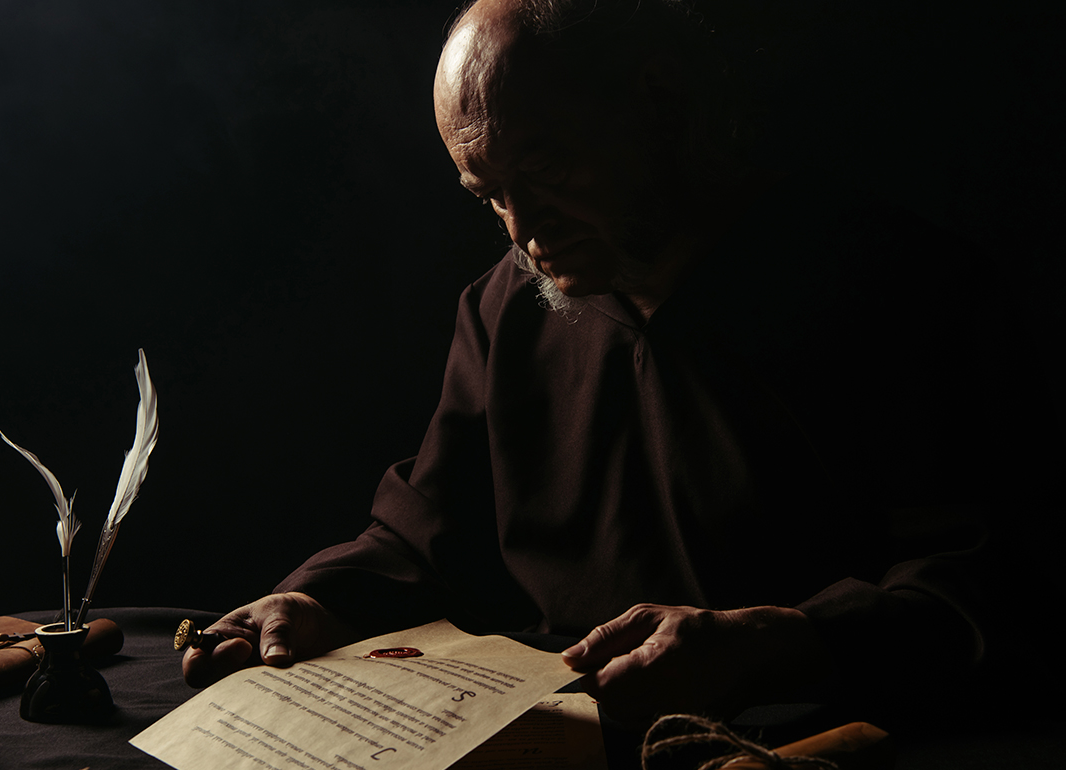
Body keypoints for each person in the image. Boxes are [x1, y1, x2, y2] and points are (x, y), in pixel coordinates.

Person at [182, 0, 998, 723]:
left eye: (543, 170)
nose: (522, 229)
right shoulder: (504, 308)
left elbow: (993, 577)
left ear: (659, 99)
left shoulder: (885, 280)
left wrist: (776, 644)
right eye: (489, 194)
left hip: (831, 752)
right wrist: (312, 599)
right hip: (556, 750)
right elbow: (424, 535)